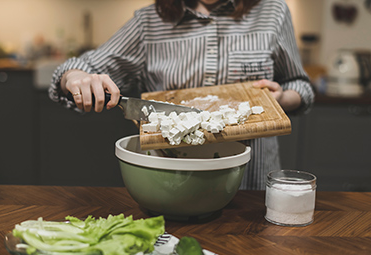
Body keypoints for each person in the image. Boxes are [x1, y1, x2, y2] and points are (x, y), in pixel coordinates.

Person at [48, 0, 314, 190]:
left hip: (251, 183)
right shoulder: (148, 22)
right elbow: (82, 69)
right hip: (172, 184)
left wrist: (279, 99)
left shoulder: (273, 11)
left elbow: (301, 86)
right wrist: (75, 78)